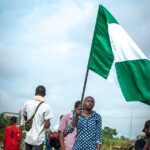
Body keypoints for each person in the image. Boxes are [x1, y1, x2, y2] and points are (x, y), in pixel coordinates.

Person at [23, 85, 53, 150]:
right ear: (44, 94)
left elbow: (25, 117)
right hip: (39, 139)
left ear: (35, 93)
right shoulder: (46, 106)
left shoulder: (27, 103)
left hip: (28, 137)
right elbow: (47, 125)